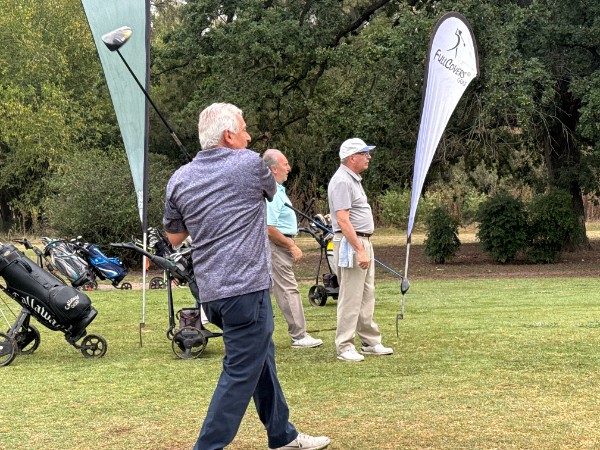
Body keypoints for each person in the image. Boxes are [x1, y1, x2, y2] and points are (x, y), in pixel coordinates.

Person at [163, 103, 330, 450]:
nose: (249, 136)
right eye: (244, 129)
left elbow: (175, 237)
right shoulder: (251, 164)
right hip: (246, 291)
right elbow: (271, 191)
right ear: (228, 135)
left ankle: (282, 435)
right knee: (240, 372)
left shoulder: (179, 179)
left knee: (260, 357)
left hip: (211, 294)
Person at [327, 137, 394, 362]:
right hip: (351, 243)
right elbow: (343, 220)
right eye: (364, 154)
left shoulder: (352, 179)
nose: (369, 157)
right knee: (350, 296)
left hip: (362, 241)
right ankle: (345, 345)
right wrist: (359, 250)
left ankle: (370, 341)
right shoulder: (342, 181)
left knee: (366, 294)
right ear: (352, 157)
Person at [262, 149, 323, 349]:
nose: (289, 168)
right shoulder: (272, 192)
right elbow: (269, 228)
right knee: (288, 290)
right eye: (285, 164)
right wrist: (291, 245)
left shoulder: (278, 190)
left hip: (279, 246)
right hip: (277, 247)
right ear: (273, 169)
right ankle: (299, 335)